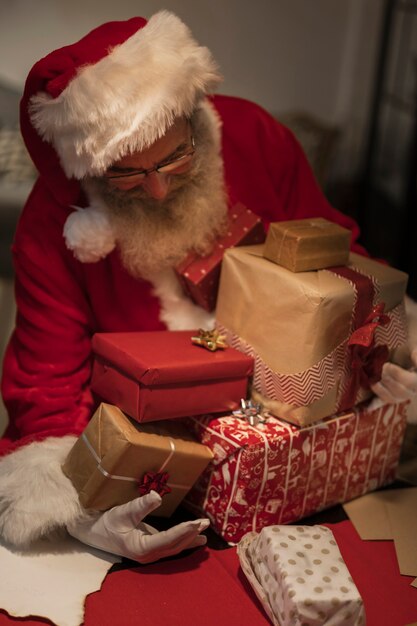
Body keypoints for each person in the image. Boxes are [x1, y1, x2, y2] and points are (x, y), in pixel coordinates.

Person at [1, 11, 416, 563]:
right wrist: (84, 504)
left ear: (195, 117)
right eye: (125, 174)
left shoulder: (255, 136)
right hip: (149, 449)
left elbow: (339, 256)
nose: (156, 189)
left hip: (294, 424)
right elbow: (44, 379)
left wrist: (381, 347)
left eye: (175, 158)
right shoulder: (50, 227)